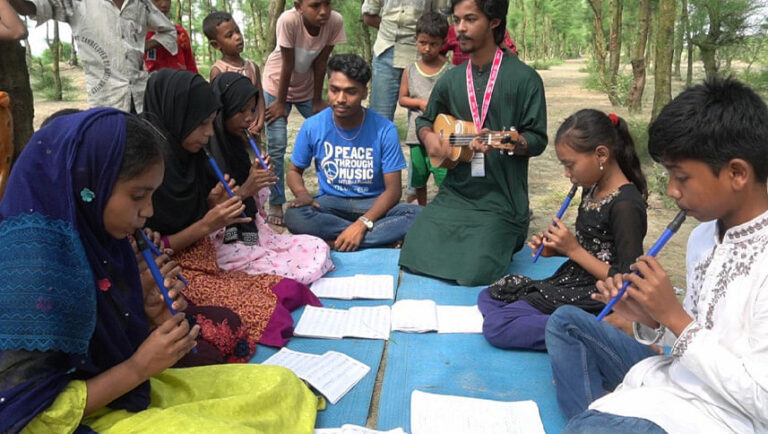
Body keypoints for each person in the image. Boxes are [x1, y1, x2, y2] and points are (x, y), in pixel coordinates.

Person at [0, 108, 318, 433]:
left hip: (123, 392)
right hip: (76, 418)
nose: (149, 210)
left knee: (279, 383)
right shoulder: (34, 271)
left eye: (152, 195)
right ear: (88, 186)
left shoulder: (106, 240)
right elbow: (32, 417)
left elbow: (110, 340)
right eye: (139, 196)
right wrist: (138, 368)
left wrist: (149, 315)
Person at [546, 78, 768, 433]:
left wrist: (674, 318)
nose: (672, 190)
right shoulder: (701, 238)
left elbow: (762, 401)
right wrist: (648, 319)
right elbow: (683, 335)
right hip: (671, 382)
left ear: (737, 173)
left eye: (681, 177)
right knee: (565, 322)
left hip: (720, 416)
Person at [142, 69, 322, 348]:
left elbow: (218, 214)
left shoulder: (194, 155)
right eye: (201, 123)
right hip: (185, 262)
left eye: (210, 123)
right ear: (177, 117)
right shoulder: (151, 172)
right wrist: (227, 205)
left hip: (216, 246)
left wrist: (215, 204)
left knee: (292, 278)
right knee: (256, 312)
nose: (207, 133)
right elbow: (154, 246)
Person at [398, 0, 547, 286]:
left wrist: (518, 143)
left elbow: (537, 138)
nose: (460, 29)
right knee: (414, 252)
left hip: (503, 201)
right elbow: (425, 121)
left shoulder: (525, 79)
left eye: (470, 19)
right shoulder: (452, 79)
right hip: (456, 194)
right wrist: (430, 139)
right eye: (457, 20)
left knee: (476, 270)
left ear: (494, 21)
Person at [477, 109, 648, 351]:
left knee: (498, 325)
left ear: (601, 154)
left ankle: (592, 330)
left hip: (595, 295)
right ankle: (573, 328)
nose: (567, 174)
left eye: (570, 165)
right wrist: (557, 249)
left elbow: (628, 281)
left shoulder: (626, 204)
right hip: (571, 281)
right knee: (491, 295)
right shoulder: (592, 188)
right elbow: (593, 249)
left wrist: (574, 250)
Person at [284, 54, 421, 251]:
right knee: (294, 216)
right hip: (330, 205)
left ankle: (338, 241)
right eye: (334, 90)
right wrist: (302, 193)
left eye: (350, 92)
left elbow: (393, 191)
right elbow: (294, 171)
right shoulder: (313, 126)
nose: (341, 99)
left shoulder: (384, 129)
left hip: (374, 206)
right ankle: (377, 240)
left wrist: (362, 224)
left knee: (419, 215)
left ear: (365, 93)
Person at [209, 72, 333, 283]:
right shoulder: (208, 152)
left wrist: (256, 179)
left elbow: (252, 204)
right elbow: (212, 215)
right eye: (240, 111)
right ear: (222, 110)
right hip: (224, 241)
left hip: (251, 234)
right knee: (288, 271)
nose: (249, 118)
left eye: (251, 110)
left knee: (317, 247)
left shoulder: (235, 144)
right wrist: (246, 189)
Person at [262, 0, 346, 226]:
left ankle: (331, 195)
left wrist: (318, 100)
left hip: (307, 88)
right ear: (299, 6)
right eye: (315, 5)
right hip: (276, 84)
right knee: (277, 144)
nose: (324, 11)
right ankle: (276, 201)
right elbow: (286, 64)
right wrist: (280, 103)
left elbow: (321, 63)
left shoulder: (334, 21)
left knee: (329, 132)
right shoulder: (288, 21)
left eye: (328, 4)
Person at [9, 0, 177, 112]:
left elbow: (168, 31)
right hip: (106, 98)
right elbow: (33, 7)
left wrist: (141, 46)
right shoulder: (77, 3)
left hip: (142, 96)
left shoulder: (140, 3)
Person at [398, 11, 452, 206]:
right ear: (416, 40)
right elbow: (402, 99)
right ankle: (421, 209)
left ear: (443, 43)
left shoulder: (450, 71)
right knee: (419, 175)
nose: (427, 48)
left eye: (434, 44)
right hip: (416, 135)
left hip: (442, 135)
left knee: (442, 174)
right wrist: (420, 103)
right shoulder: (410, 70)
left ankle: (444, 208)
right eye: (423, 43)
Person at [362, 0, 447, 121]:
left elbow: (440, 19)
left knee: (424, 114)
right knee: (380, 116)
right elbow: (368, 16)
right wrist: (392, 30)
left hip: (421, 54)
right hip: (386, 47)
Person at [203, 11, 264, 139]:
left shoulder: (252, 67)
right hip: (233, 134)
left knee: (257, 157)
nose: (238, 37)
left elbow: (260, 98)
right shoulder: (218, 71)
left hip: (254, 128)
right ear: (216, 44)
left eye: (238, 31)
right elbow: (219, 108)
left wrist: (259, 122)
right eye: (229, 35)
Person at [143, 0, 198, 74]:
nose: (164, 4)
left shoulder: (180, 34)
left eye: (168, 0)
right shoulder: (136, 34)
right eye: (156, 0)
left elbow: (191, 68)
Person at [442, 24, 516, 65]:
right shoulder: (455, 29)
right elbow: (435, 51)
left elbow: (514, 59)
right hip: (461, 82)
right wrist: (449, 68)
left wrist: (499, 41)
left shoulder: (498, 29)